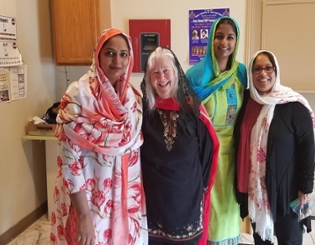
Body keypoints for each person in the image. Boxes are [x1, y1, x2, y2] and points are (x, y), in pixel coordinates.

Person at [50, 28, 147, 245]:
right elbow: (69, 161)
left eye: (123, 54)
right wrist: (83, 216)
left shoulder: (131, 99)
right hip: (88, 201)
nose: (117, 61)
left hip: (122, 200)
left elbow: (133, 157)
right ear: (98, 55)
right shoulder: (79, 95)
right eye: (110, 53)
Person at [234, 50, 315, 244]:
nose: (263, 73)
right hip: (257, 191)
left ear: (276, 70)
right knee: (261, 239)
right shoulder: (247, 102)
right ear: (251, 74)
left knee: (290, 239)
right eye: (257, 69)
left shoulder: (293, 105)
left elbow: (307, 149)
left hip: (288, 191)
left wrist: (306, 188)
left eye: (268, 67)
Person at [140, 46, 220, 245]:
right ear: (149, 78)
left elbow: (207, 151)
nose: (162, 78)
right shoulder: (142, 112)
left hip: (187, 201)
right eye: (155, 73)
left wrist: (199, 188)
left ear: (175, 72)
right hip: (153, 202)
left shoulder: (192, 109)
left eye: (166, 71)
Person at [186, 16, 247, 244]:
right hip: (204, 155)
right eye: (219, 36)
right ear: (211, 38)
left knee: (229, 209)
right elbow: (185, 117)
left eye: (230, 37)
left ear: (236, 41)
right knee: (207, 210)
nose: (224, 42)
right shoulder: (195, 76)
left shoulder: (241, 73)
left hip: (233, 153)